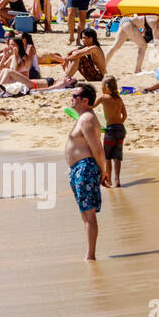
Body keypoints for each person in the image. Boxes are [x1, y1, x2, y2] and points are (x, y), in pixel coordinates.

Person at [64, 83, 109, 261]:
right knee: (84, 213)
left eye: (75, 96)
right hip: (78, 169)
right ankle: (89, 253)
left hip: (86, 168)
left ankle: (90, 255)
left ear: (85, 100)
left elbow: (97, 149)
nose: (72, 98)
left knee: (88, 213)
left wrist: (103, 172)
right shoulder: (82, 117)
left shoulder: (88, 119)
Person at [98, 76, 127, 186]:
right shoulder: (119, 98)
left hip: (110, 131)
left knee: (107, 157)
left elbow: (91, 107)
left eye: (101, 85)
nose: (101, 88)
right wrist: (118, 124)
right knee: (117, 157)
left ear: (106, 86)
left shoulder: (103, 97)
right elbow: (125, 115)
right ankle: (117, 180)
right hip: (120, 130)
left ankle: (109, 180)